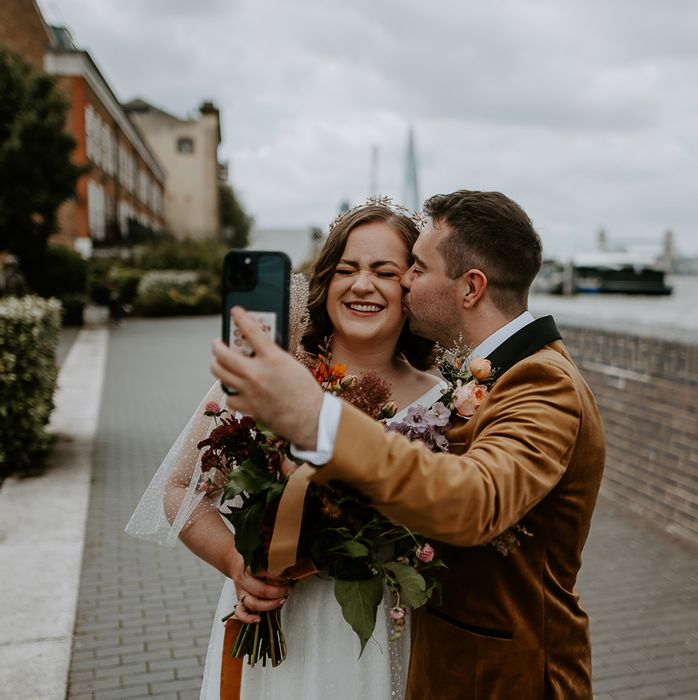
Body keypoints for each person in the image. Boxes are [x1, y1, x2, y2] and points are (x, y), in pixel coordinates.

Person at [211, 190, 606, 699]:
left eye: (415, 267)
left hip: (505, 680)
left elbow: (474, 499)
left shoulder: (543, 383)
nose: (405, 282)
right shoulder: (489, 371)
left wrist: (316, 419)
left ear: (470, 288)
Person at [127, 201, 445, 699]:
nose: (363, 285)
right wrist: (238, 566)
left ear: (411, 287)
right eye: (347, 269)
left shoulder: (442, 401)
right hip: (273, 617)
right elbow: (178, 489)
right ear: (326, 281)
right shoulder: (271, 377)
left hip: (383, 627)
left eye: (385, 271)